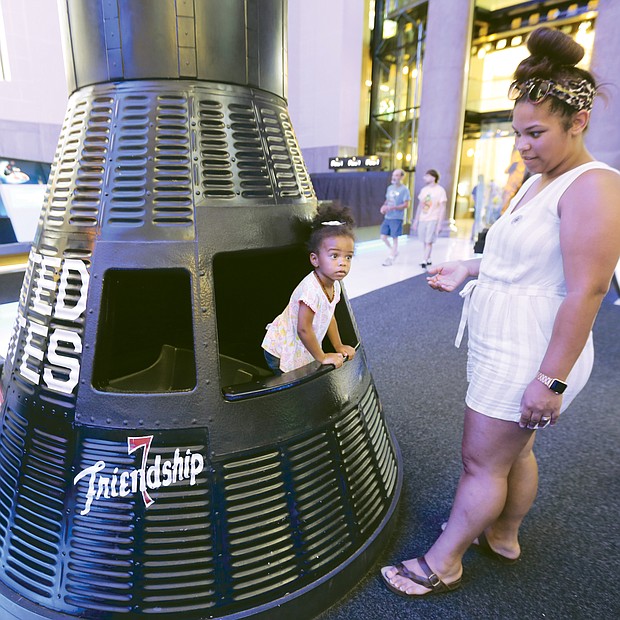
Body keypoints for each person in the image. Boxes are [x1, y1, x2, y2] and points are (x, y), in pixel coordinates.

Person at [381, 26, 620, 597]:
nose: (523, 145)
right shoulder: (539, 181)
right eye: (518, 133)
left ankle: (444, 561)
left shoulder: (593, 186)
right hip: (512, 338)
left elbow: (586, 291)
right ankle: (504, 533)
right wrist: (469, 268)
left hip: (536, 349)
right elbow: (521, 261)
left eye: (536, 133)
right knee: (514, 451)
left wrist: (550, 380)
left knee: (480, 463)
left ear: (578, 122)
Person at [261, 204, 357, 374]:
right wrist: (322, 357)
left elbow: (329, 316)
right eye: (334, 255)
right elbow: (303, 328)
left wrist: (338, 345)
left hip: (299, 344)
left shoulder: (334, 285)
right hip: (280, 349)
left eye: (348, 256)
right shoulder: (311, 291)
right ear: (315, 259)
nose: (343, 262)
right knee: (290, 382)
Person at [411, 169, 447, 268]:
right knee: (424, 240)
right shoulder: (424, 190)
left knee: (428, 240)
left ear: (433, 177)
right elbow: (420, 206)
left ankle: (424, 259)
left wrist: (440, 223)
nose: (425, 178)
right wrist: (416, 220)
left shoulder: (440, 190)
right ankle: (428, 257)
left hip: (433, 218)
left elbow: (442, 207)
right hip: (423, 218)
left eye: (427, 176)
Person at [380, 168, 410, 266]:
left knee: (394, 238)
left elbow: (406, 204)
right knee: (383, 237)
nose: (394, 177)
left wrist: (393, 208)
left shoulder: (404, 189)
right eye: (393, 175)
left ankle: (391, 257)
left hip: (397, 217)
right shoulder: (390, 188)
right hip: (388, 217)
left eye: (397, 175)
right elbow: (387, 200)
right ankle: (394, 251)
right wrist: (384, 207)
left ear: (402, 177)